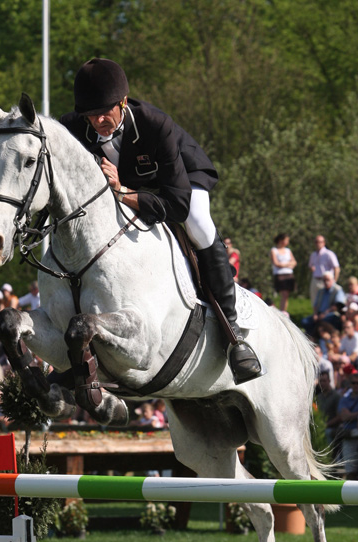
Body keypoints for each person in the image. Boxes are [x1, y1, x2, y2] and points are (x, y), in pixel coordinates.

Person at [60, 57, 261, 383]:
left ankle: (234, 334)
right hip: (129, 187)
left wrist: (123, 191)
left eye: (104, 112)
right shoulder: (75, 126)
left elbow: (178, 204)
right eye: (90, 115)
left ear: (123, 102)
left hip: (181, 181)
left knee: (198, 223)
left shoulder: (156, 125)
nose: (97, 121)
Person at [308, 235, 340, 304]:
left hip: (326, 281)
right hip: (315, 280)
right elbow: (310, 267)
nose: (318, 244)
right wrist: (311, 268)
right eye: (316, 242)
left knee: (325, 302)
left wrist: (334, 281)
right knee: (314, 301)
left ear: (324, 243)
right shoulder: (313, 255)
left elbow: (336, 268)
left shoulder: (329, 254)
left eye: (320, 242)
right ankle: (315, 314)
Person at [269, 233, 297, 313]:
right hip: (280, 274)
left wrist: (284, 264)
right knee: (283, 294)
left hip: (289, 274)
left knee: (286, 295)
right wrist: (288, 264)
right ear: (281, 240)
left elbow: (294, 262)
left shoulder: (288, 250)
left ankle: (283, 311)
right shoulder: (274, 250)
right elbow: (276, 263)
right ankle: (281, 312)